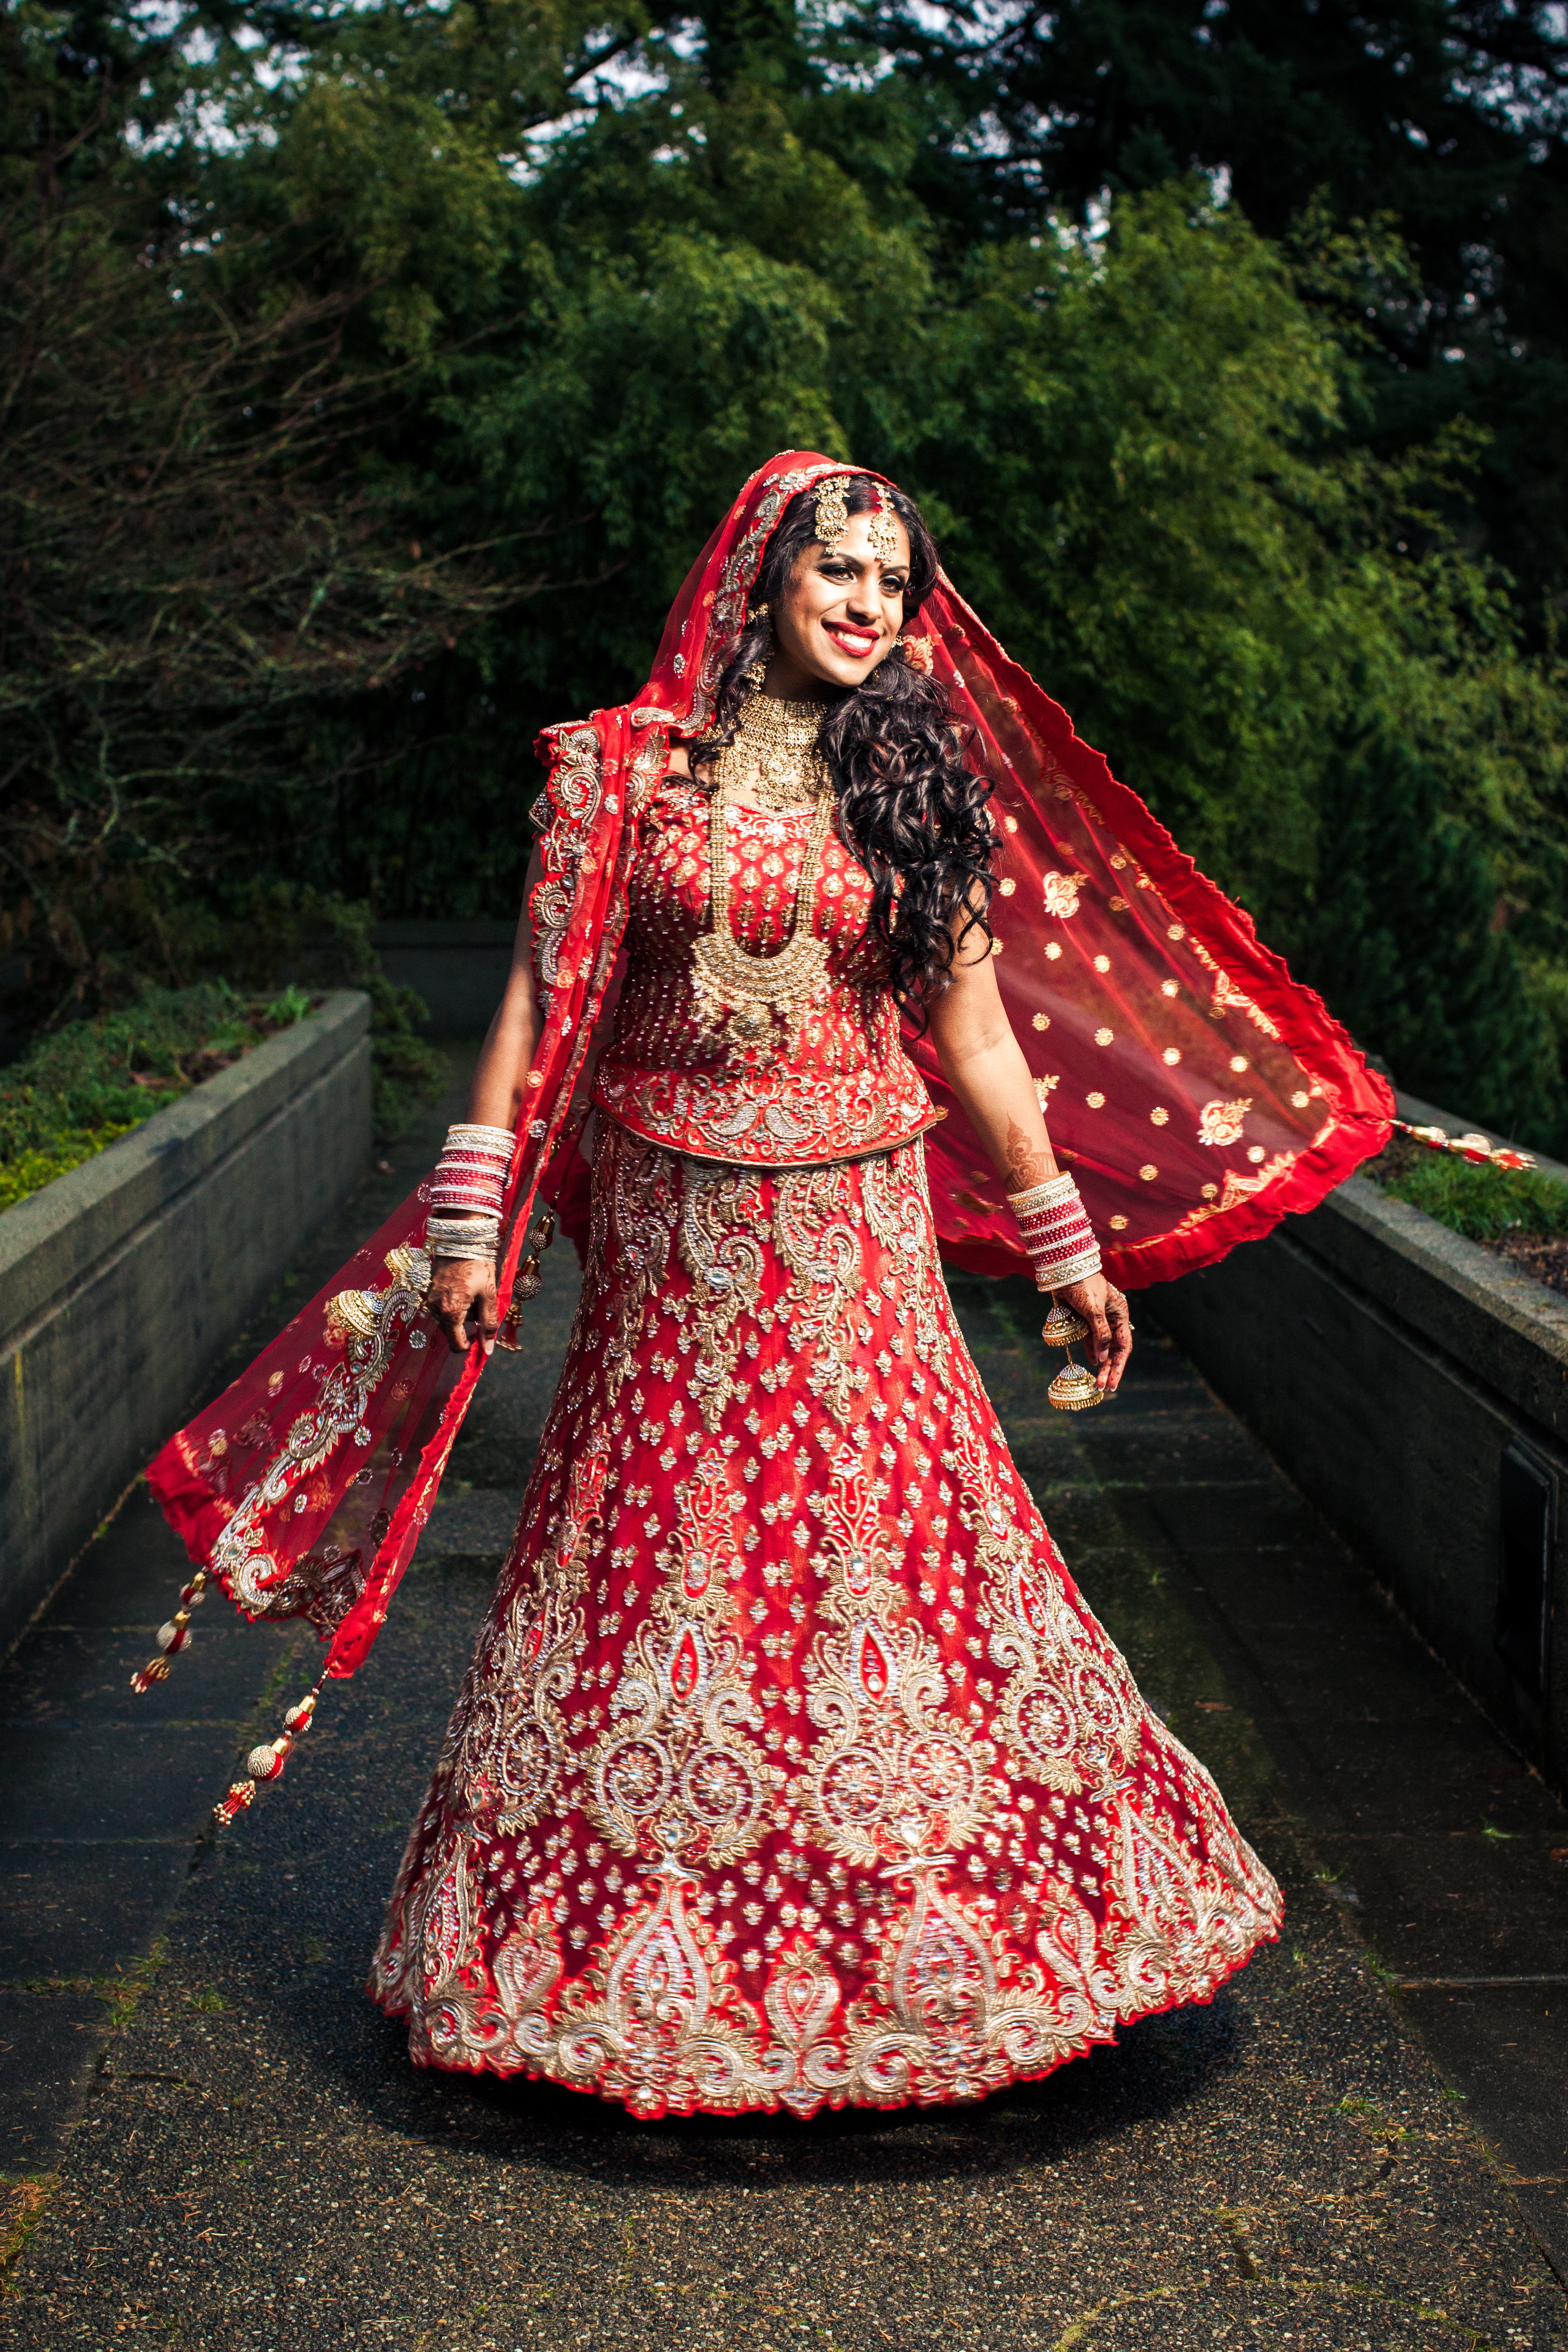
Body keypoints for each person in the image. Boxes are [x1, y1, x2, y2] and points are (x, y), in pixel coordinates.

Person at [145, 454, 1391, 2119]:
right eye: (841, 570)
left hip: (857, 1246)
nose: (872, 604)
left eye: (895, 580)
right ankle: (594, 1961)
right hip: (668, 1250)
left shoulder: (921, 789)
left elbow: (977, 1038)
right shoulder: (616, 775)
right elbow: (533, 996)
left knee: (885, 1572)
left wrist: (1064, 1247)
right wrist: (469, 1215)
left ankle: (931, 1958)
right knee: (652, 1559)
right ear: (758, 575)